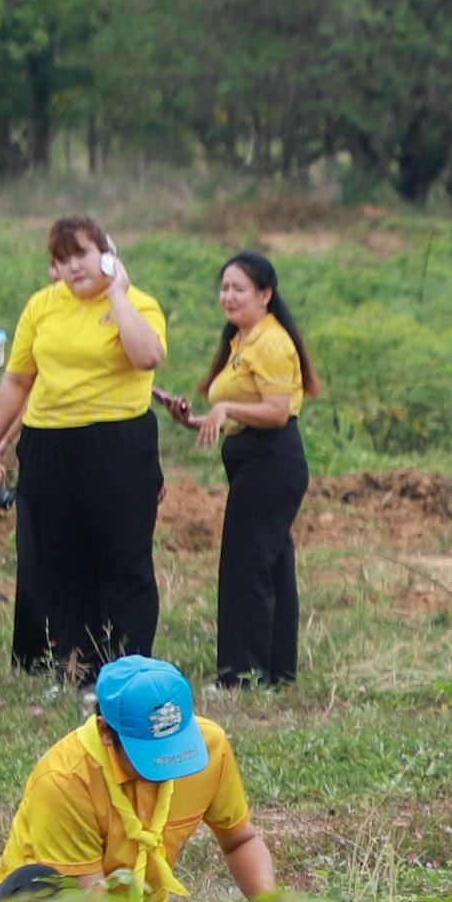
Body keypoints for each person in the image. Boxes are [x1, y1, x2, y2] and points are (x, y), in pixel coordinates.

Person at [0, 655, 315, 902]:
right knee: (34, 888)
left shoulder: (210, 747)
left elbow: (240, 840)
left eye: (176, 748)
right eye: (151, 757)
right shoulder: (65, 779)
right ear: (107, 732)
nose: (169, 766)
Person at [0, 217, 168, 681]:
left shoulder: (139, 303)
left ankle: (128, 668)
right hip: (49, 443)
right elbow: (17, 378)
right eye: (61, 260)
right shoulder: (42, 306)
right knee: (62, 561)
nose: (72, 267)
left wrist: (118, 295)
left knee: (124, 559)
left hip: (117, 441)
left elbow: (147, 356)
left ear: (107, 252)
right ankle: (81, 668)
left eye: (81, 254)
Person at [188, 251, 321, 688]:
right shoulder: (240, 341)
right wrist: (198, 416)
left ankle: (242, 675)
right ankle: (276, 672)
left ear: (265, 294)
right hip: (252, 458)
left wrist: (225, 406)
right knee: (271, 565)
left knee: (247, 566)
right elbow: (242, 411)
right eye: (224, 287)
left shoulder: (272, 342)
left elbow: (277, 413)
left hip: (271, 460)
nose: (228, 296)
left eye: (238, 288)